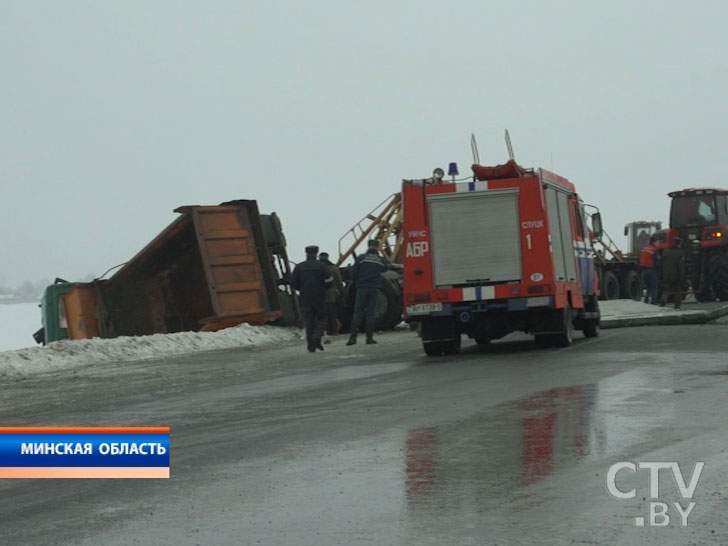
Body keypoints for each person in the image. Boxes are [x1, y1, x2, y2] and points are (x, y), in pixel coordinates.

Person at [347, 239, 400, 345]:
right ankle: (369, 338)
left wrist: (357, 282)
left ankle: (353, 338)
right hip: (374, 288)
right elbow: (385, 268)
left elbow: (353, 273)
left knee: (358, 312)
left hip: (361, 288)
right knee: (371, 313)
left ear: (368, 246)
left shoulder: (361, 258)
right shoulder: (379, 260)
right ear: (377, 247)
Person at [291, 245, 332, 352]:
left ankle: (311, 346)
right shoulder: (322, 266)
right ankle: (317, 336)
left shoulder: (299, 267)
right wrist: (323, 289)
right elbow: (329, 280)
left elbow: (293, 283)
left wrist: (302, 290)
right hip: (319, 296)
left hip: (305, 296)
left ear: (306, 253)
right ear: (316, 253)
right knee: (322, 318)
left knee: (309, 321)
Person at [318, 252, 343, 340]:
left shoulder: (317, 268)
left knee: (321, 313)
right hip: (331, 293)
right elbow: (339, 281)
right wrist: (342, 292)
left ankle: (323, 330)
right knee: (332, 312)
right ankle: (334, 330)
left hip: (319, 294)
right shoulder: (333, 268)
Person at [660, 237, 685, 309]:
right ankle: (677, 306)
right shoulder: (680, 253)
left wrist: (662, 274)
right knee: (678, 291)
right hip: (676, 275)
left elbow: (662, 264)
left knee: (667, 289)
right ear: (679, 244)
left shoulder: (665, 252)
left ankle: (663, 299)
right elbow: (681, 267)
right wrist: (682, 278)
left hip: (666, 275)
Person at [638, 235, 660, 304]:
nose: (658, 243)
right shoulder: (654, 250)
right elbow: (657, 262)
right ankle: (654, 302)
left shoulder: (644, 249)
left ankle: (646, 300)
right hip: (651, 270)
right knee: (654, 287)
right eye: (658, 242)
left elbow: (639, 259)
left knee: (648, 287)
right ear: (654, 242)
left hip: (643, 271)